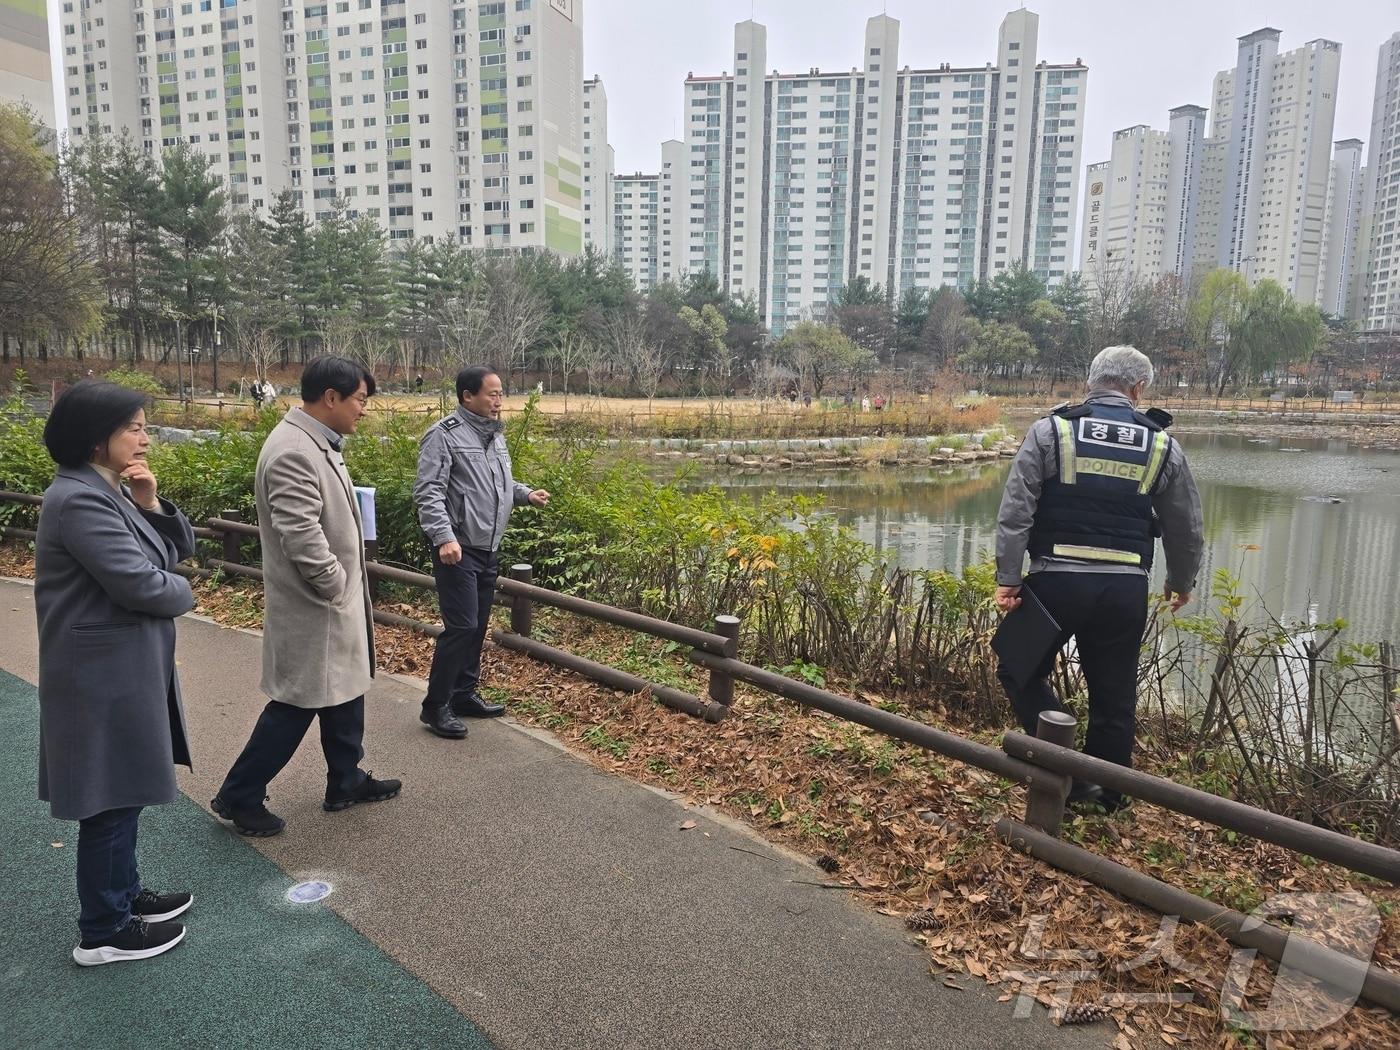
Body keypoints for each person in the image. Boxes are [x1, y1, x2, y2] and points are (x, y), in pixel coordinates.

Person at [994, 346, 1203, 811]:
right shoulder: (1162, 444)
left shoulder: (1052, 431)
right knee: (1114, 694)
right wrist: (1182, 580)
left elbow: (1016, 511)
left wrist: (1008, 577)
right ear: (1138, 388)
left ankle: (1063, 760)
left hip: (1055, 582)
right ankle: (1105, 794)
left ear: (1091, 380)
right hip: (1123, 587)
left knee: (1017, 665)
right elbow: (1185, 525)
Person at [34, 381, 198, 965]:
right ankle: (103, 930)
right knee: (108, 796)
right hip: (98, 673)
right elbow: (146, 583)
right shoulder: (79, 499)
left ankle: (124, 896)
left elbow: (167, 554)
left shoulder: (105, 491)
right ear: (96, 438)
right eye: (134, 427)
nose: (145, 436)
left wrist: (150, 503)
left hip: (114, 666)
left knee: (122, 789)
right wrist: (187, 594)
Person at [211, 357, 400, 835]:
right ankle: (239, 794)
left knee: (345, 690)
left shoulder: (315, 440)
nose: (364, 410)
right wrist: (336, 585)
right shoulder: (295, 449)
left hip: (329, 604)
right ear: (330, 397)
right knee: (297, 703)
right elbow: (300, 534)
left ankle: (346, 779)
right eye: (360, 400)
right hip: (315, 605)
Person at [413, 366, 550, 739]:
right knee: (462, 626)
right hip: (457, 548)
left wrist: (525, 495)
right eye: (491, 394)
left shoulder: (494, 437)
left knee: (477, 626)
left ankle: (463, 694)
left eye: (500, 394)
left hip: (487, 547)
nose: (498, 401)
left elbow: (499, 483)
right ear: (467, 397)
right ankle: (435, 705)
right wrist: (444, 538)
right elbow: (428, 493)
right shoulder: (444, 436)